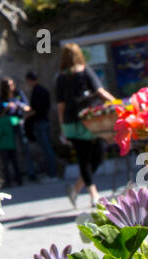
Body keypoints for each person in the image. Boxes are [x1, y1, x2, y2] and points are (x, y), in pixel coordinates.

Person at [54, 43, 114, 209]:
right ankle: (94, 194)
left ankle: (76, 188)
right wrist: (118, 104)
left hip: (73, 123)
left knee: (87, 158)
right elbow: (101, 93)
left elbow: (60, 106)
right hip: (91, 121)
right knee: (94, 157)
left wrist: (62, 128)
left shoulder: (61, 77)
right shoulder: (84, 71)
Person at [0, 77, 36, 180]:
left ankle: (31, 174)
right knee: (10, 150)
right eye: (8, 86)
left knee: (25, 148)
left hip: (19, 122)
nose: (11, 87)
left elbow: (28, 108)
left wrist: (19, 106)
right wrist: (6, 107)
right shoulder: (3, 97)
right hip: (7, 124)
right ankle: (16, 176)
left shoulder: (18, 94)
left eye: (12, 84)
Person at [24, 71, 58, 180]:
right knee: (47, 148)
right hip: (44, 121)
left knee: (46, 149)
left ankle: (52, 174)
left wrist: (28, 115)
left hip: (40, 122)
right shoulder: (43, 90)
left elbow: (37, 109)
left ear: (29, 80)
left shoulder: (37, 91)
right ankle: (51, 173)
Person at [0, 101, 21, 188]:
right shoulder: (11, 119)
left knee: (5, 165)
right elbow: (18, 121)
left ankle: (8, 181)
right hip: (12, 144)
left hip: (3, 145)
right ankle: (19, 180)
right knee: (15, 162)